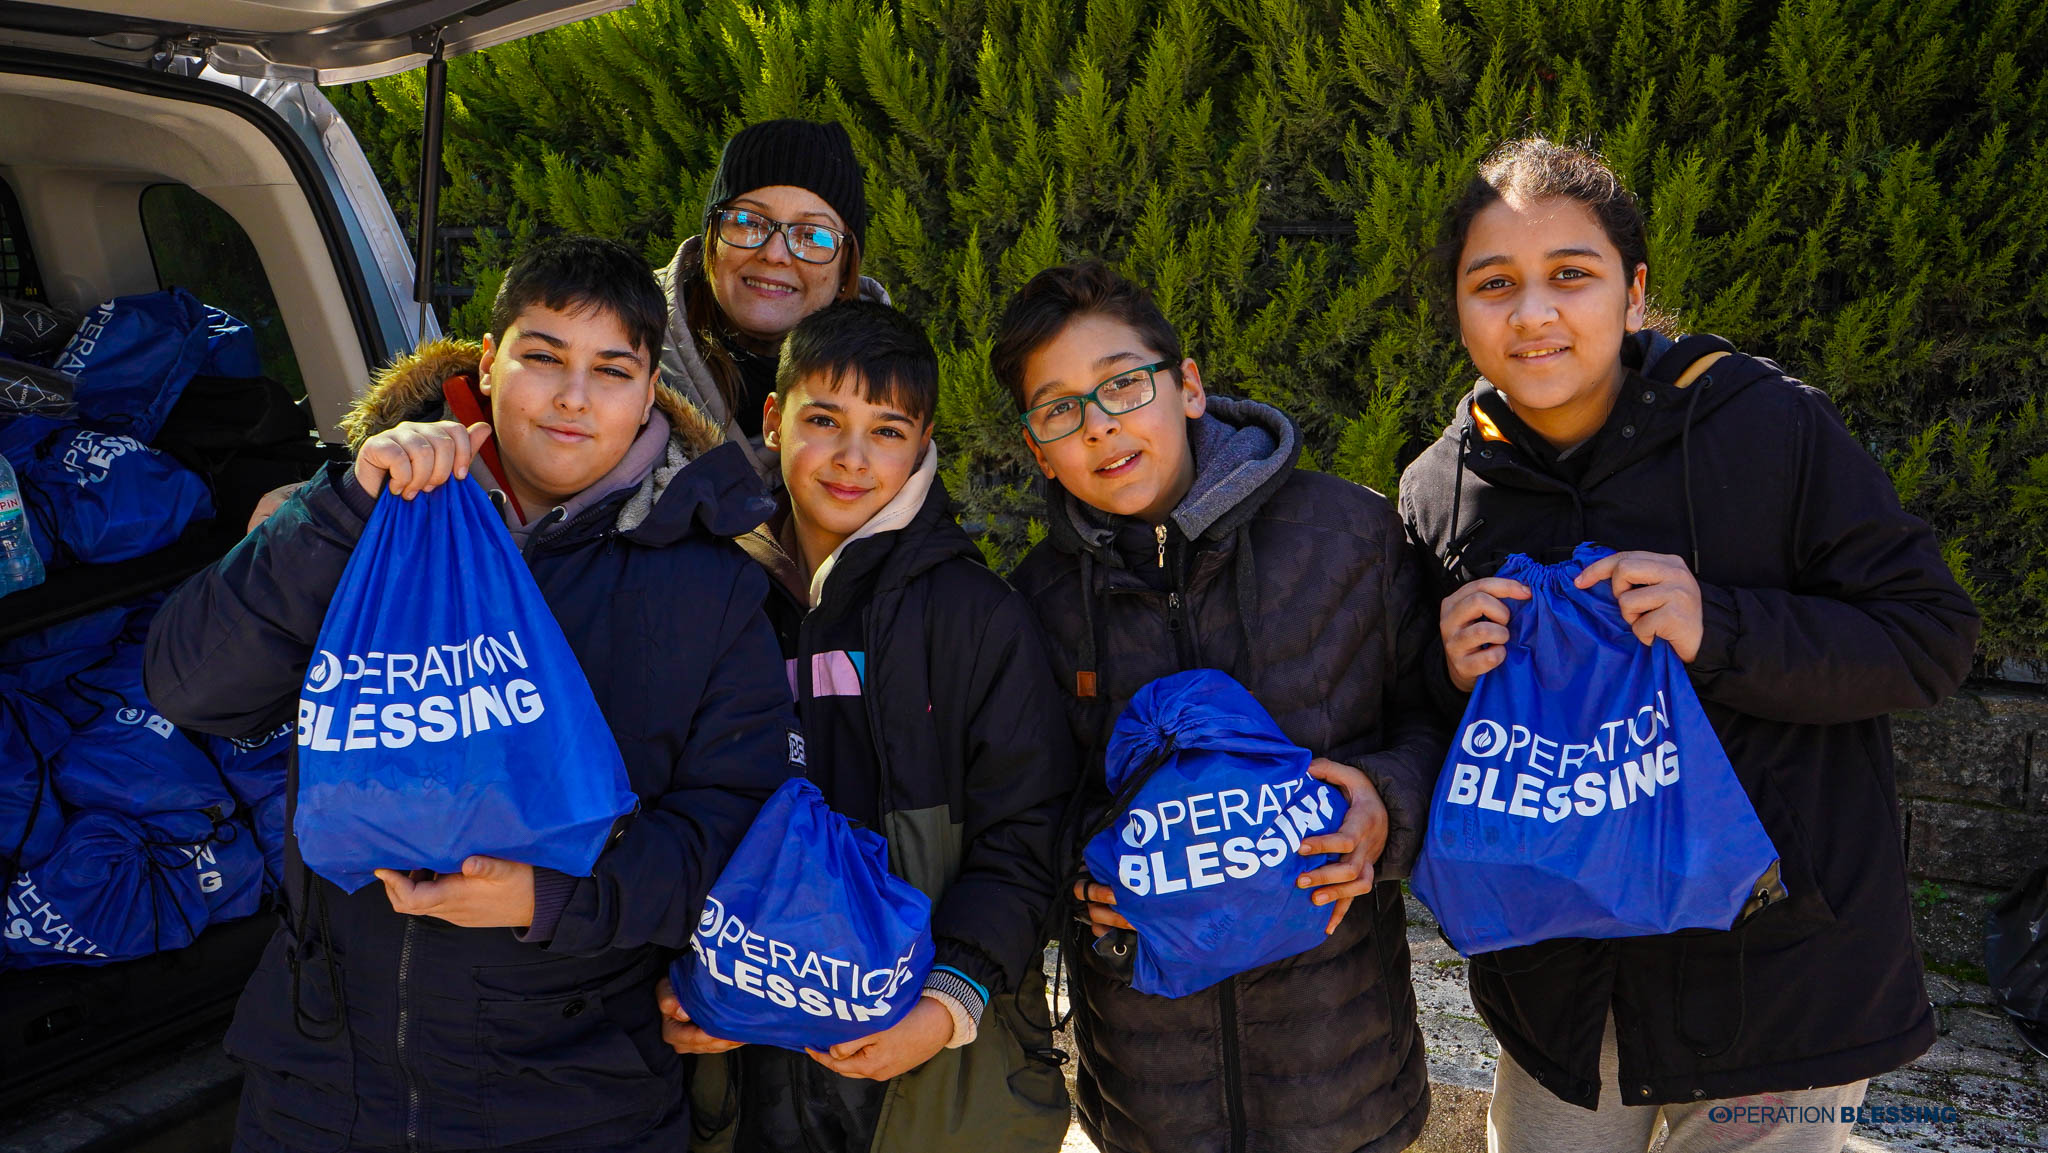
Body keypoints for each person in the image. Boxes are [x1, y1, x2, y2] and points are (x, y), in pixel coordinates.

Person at [143, 236, 803, 1151]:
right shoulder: (361, 513)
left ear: (650, 392)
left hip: (573, 1099)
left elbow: (733, 839)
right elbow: (190, 686)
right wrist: (344, 507)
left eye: (612, 370)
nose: (574, 397)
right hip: (323, 1085)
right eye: (543, 357)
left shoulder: (712, 583)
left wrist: (553, 898)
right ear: (488, 365)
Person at [1398, 138, 1981, 1153]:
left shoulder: (1769, 429)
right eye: (1492, 283)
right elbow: (1424, 731)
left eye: (1568, 275)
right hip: (1560, 1002)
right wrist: (1440, 671)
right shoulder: (1436, 490)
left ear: (1631, 293)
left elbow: (1927, 639)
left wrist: (1724, 627)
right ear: (1457, 308)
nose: (1531, 312)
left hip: (1777, 985)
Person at [995, 260, 1446, 1153]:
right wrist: (1080, 883)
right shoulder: (1033, 604)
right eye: (1060, 409)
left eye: (1123, 383)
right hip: (1150, 1096)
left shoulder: (1347, 536)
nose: (1101, 426)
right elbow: (1019, 809)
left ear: (1188, 385)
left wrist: (1384, 806)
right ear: (1037, 444)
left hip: (1344, 1084)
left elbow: (1446, 721)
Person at [656, 299, 1075, 1153]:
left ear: (923, 445)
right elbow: (654, 813)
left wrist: (947, 1000)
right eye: (823, 419)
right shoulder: (705, 595)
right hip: (733, 1083)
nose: (851, 458)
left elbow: (1029, 832)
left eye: (886, 431)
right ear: (772, 421)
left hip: (934, 1094)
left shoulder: (978, 616)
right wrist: (671, 980)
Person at [656, 118, 892, 485]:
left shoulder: (893, 388)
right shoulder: (625, 341)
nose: (775, 253)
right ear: (711, 238)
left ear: (846, 261)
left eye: (813, 234)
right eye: (749, 221)